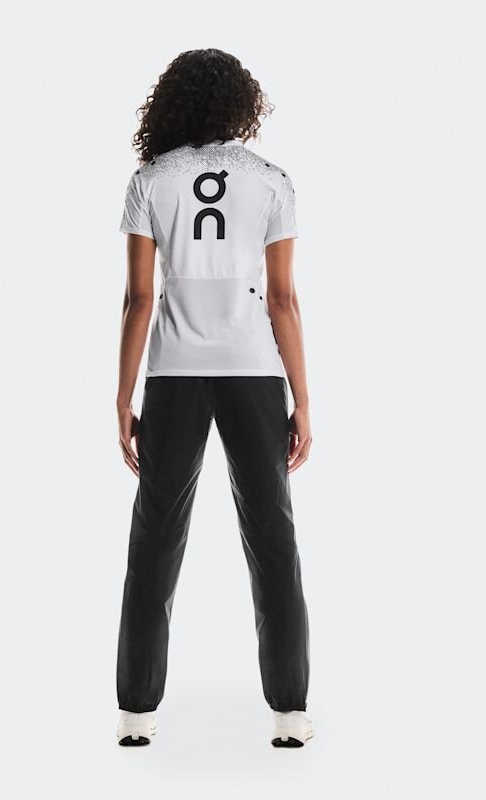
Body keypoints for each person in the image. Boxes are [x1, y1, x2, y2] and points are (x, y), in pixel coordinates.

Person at [114, 48, 314, 748]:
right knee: (273, 537)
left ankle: (135, 714)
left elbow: (140, 299)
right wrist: (303, 400)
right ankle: (290, 714)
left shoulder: (150, 180)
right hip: (254, 371)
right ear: (240, 104)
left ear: (172, 103)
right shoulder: (272, 181)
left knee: (154, 537)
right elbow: (283, 300)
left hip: (172, 374)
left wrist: (122, 397)